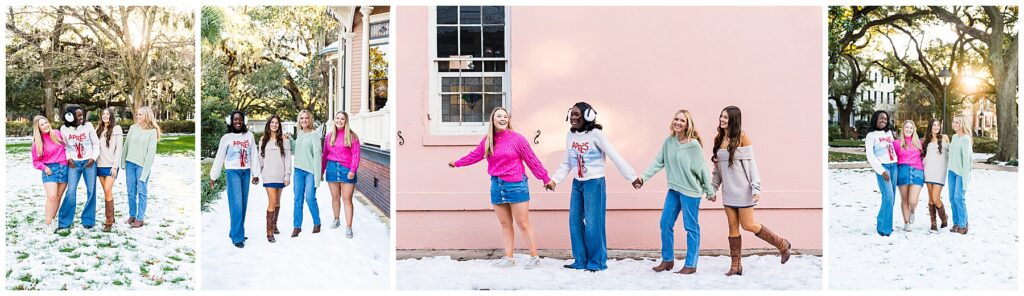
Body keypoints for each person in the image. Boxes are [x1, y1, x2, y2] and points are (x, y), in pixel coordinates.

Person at [449, 107, 554, 269]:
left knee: (523, 223)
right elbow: (475, 155)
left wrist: (545, 178)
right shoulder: (488, 140)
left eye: (505, 116)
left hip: (516, 185)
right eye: (499, 116)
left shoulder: (517, 139)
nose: (503, 118)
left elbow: (531, 160)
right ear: (493, 120)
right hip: (496, 186)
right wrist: (457, 163)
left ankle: (534, 258)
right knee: (505, 224)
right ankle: (509, 257)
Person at [550, 102, 639, 272]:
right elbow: (567, 162)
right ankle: (580, 260)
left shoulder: (596, 134)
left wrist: (631, 177)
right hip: (577, 183)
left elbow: (614, 155)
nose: (573, 118)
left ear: (588, 116)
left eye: (577, 115)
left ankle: (597, 262)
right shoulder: (570, 135)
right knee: (574, 221)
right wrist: (554, 180)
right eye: (572, 114)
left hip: (594, 183)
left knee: (593, 223)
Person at [709, 106, 792, 276]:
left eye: (726, 117)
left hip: (744, 190)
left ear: (734, 119)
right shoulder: (718, 138)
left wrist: (756, 187)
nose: (722, 119)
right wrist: (713, 188)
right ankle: (736, 265)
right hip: (728, 192)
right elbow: (718, 169)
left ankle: (782, 244)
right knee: (732, 228)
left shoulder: (742, 138)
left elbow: (752, 165)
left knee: (748, 225)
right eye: (721, 116)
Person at [640, 110, 715, 275]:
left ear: (687, 124)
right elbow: (657, 162)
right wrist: (643, 178)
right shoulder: (669, 142)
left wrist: (710, 191)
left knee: (691, 227)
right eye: (676, 119)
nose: (678, 122)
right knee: (665, 223)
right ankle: (667, 260)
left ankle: (691, 264)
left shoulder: (693, 145)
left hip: (690, 192)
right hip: (674, 190)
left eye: (682, 120)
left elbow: (702, 169)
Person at [210, 111, 260, 247]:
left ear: (244, 120)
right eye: (235, 119)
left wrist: (256, 174)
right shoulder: (226, 138)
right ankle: (237, 237)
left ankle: (236, 231)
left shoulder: (249, 136)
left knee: (243, 204)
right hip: (233, 173)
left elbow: (254, 155)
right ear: (230, 121)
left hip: (246, 172)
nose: (237, 122)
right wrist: (213, 176)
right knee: (236, 204)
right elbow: (220, 157)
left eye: (240, 119)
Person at [57, 105, 100, 231]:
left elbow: (96, 143)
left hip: (89, 162)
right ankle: (64, 222)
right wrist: (69, 158)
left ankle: (88, 220)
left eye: (82, 115)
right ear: (69, 117)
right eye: (78, 115)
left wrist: (93, 158)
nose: (81, 118)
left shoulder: (88, 126)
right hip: (73, 164)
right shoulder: (64, 129)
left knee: (91, 191)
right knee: (71, 191)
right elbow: (64, 146)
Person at [120, 106, 160, 228]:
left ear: (147, 116)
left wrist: (145, 172)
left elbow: (151, 153)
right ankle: (132, 215)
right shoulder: (133, 128)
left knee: (142, 191)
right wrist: (123, 162)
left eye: (140, 115)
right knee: (131, 191)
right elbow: (126, 145)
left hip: (142, 166)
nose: (137, 116)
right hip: (130, 164)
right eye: (137, 114)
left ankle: (140, 218)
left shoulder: (152, 132)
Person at [323, 111, 360, 239]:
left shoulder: (352, 136)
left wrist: (352, 170)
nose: (339, 121)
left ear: (346, 121)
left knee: (347, 198)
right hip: (332, 168)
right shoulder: (329, 136)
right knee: (335, 197)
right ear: (334, 120)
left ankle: (349, 226)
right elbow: (324, 155)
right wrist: (322, 171)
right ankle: (336, 219)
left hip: (346, 169)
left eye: (342, 119)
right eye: (337, 118)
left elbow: (356, 155)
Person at [30, 115, 68, 228]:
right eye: (42, 124)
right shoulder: (37, 143)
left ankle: (53, 219)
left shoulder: (57, 134)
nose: (45, 125)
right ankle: (48, 224)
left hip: (64, 168)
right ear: (38, 128)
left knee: (58, 196)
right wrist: (45, 168)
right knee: (51, 196)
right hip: (50, 170)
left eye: (46, 122)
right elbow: (35, 162)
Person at [258, 115, 291, 243]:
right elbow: (261, 159)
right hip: (268, 176)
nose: (274, 125)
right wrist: (258, 174)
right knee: (272, 202)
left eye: (277, 123)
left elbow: (287, 158)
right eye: (272, 122)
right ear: (269, 124)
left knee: (277, 202)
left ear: (279, 125)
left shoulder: (284, 139)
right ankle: (269, 232)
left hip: (280, 175)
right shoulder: (263, 140)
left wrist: (287, 175)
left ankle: (274, 225)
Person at [865, 110, 898, 236]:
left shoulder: (888, 133)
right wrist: (882, 170)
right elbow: (870, 155)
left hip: (894, 166)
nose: (883, 121)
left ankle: (882, 221)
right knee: (888, 196)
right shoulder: (871, 135)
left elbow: (893, 148)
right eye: (881, 118)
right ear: (875, 119)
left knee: (892, 198)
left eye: (885, 119)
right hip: (883, 168)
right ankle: (884, 229)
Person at [292, 110, 323, 237]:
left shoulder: (314, 135)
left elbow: (317, 156)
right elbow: (297, 149)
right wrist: (289, 140)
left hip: (310, 171)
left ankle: (317, 222)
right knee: (297, 199)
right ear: (299, 120)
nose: (304, 120)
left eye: (306, 118)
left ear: (310, 120)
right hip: (298, 170)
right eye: (301, 118)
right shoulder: (299, 134)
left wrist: (317, 177)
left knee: (310, 198)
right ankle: (297, 226)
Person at [893, 120, 925, 232]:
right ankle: (906, 223)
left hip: (917, 171)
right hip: (902, 171)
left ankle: (913, 211)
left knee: (912, 200)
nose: (909, 129)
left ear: (914, 129)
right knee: (904, 199)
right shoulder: (896, 143)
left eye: (911, 128)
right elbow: (891, 158)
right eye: (907, 127)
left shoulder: (919, 143)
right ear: (903, 128)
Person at [95, 107, 124, 232]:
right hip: (99, 165)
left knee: (107, 190)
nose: (105, 116)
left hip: (111, 166)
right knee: (107, 192)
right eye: (103, 114)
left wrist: (115, 166)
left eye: (108, 114)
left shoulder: (116, 129)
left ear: (111, 116)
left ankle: (109, 220)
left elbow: (119, 149)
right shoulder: (98, 129)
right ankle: (111, 217)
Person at [921, 119, 949, 232]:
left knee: (935, 197)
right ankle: (933, 223)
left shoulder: (944, 138)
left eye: (938, 125)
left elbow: (950, 153)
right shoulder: (926, 140)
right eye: (934, 125)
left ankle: (944, 217)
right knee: (930, 198)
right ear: (930, 126)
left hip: (939, 171)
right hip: (928, 171)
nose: (936, 127)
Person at [947, 116, 973, 235]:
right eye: (954, 122)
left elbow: (967, 161)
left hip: (961, 173)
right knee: (952, 199)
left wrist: (965, 179)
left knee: (959, 198)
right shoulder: (954, 137)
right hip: (952, 172)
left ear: (962, 124)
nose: (955, 124)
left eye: (957, 122)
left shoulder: (966, 139)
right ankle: (956, 223)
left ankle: (963, 225)